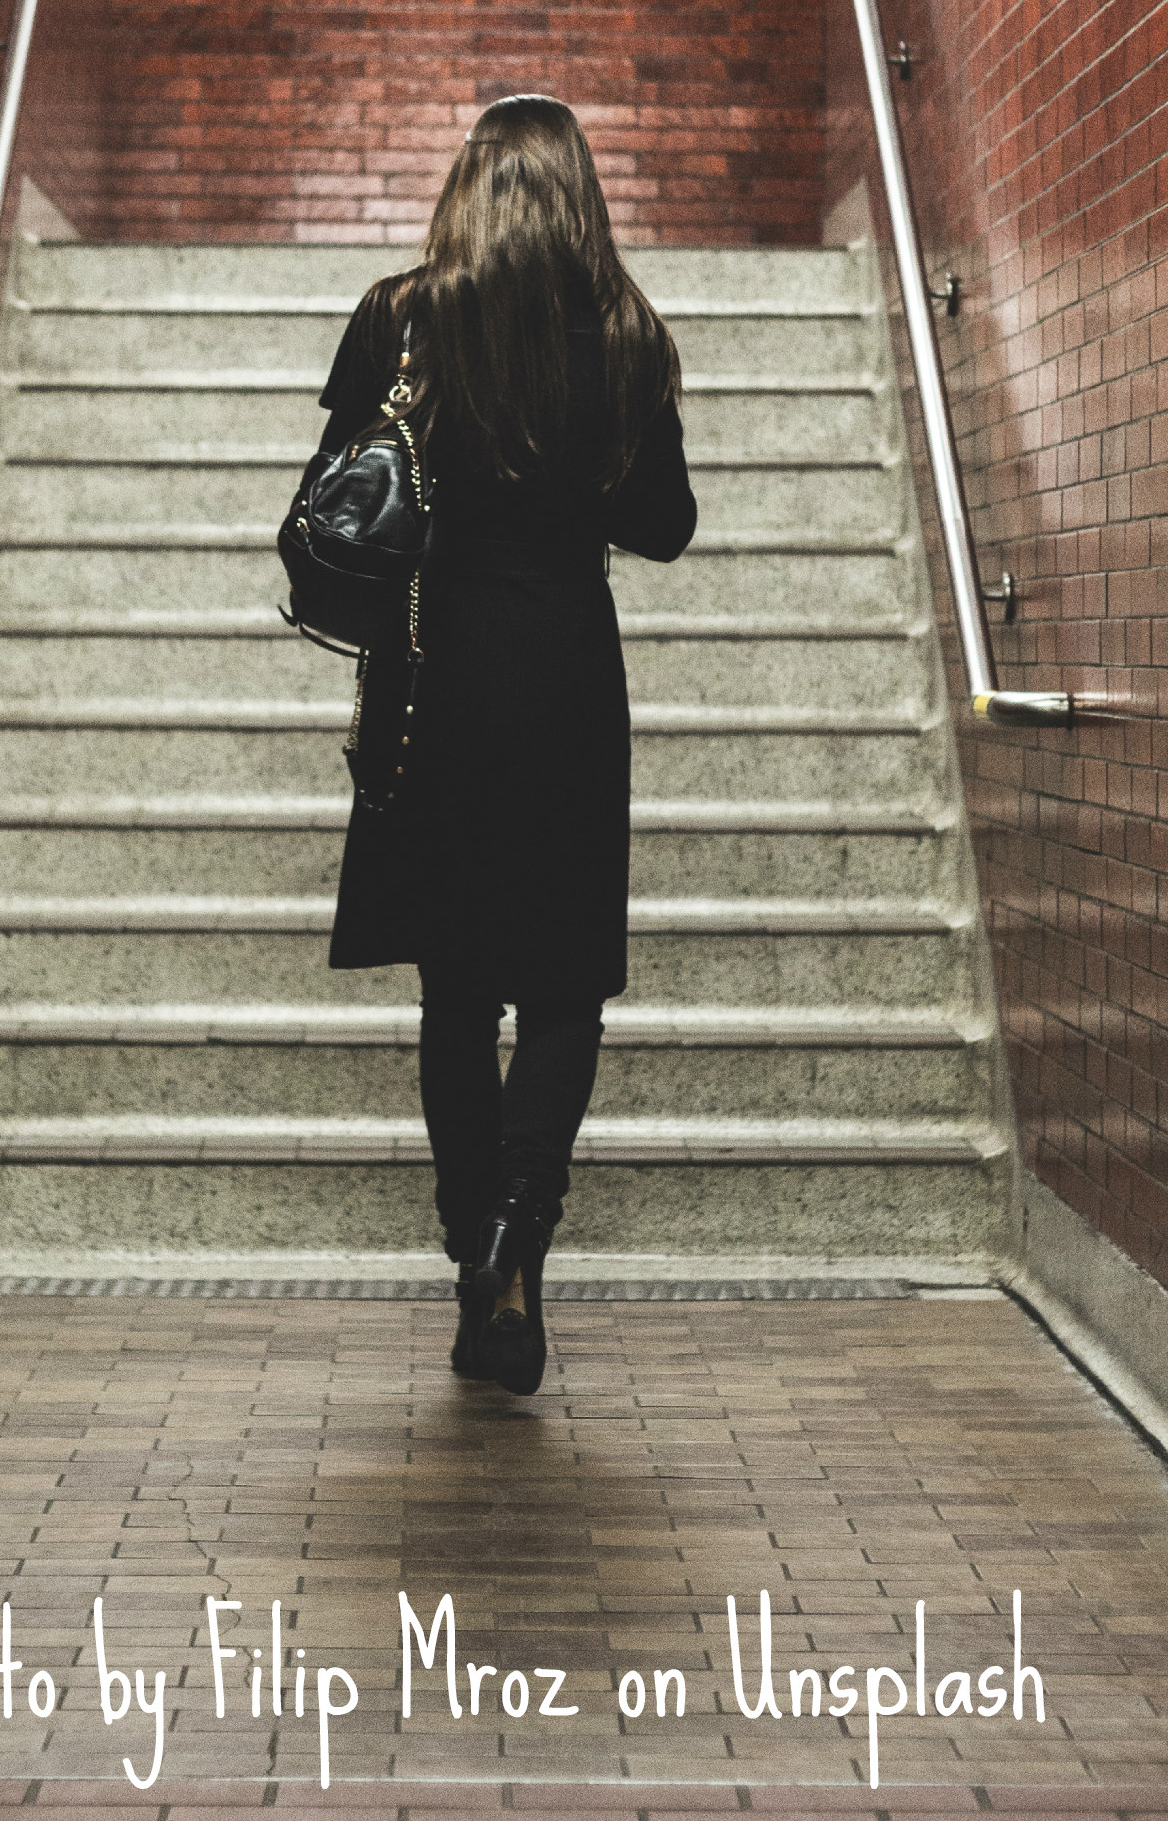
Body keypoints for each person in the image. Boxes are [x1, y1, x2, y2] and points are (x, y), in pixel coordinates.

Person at [312, 95, 697, 1396]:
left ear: (465, 189)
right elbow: (665, 526)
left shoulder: (401, 316)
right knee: (564, 985)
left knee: (459, 989)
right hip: (571, 683)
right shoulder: (628, 333)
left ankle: (471, 1246)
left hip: (438, 680)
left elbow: (338, 491)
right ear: (582, 193)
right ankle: (521, 1235)